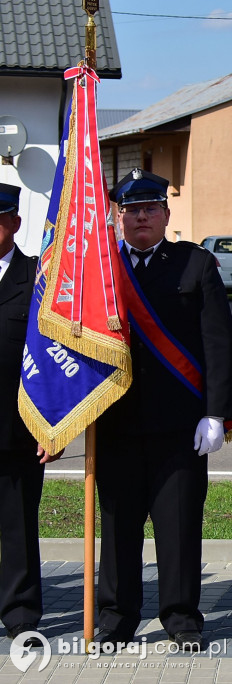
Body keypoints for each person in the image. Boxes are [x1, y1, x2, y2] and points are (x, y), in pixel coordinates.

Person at [95, 169, 232, 651]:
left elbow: (219, 343)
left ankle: (180, 617)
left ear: (166, 215)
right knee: (117, 528)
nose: (140, 218)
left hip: (179, 427)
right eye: (131, 210)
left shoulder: (195, 264)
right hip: (113, 424)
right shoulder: (99, 270)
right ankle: (116, 616)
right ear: (118, 216)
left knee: (178, 528)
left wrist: (216, 413)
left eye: (150, 209)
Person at [0, 183, 60, 648]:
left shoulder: (38, 278)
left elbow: (56, 357)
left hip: (16, 429)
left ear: (15, 224)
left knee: (19, 525)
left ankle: (20, 613)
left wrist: (53, 424)